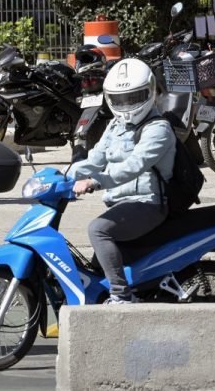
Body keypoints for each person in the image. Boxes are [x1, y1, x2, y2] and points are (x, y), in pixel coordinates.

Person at [69, 58, 175, 304]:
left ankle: (121, 295)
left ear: (149, 92)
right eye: (120, 99)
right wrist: (65, 175)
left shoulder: (158, 128)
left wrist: (95, 182)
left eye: (133, 97)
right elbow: (95, 158)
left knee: (98, 229)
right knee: (95, 268)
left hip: (149, 203)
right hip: (122, 204)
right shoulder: (116, 126)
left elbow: (134, 165)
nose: (126, 106)